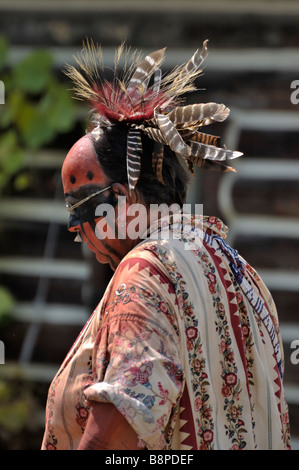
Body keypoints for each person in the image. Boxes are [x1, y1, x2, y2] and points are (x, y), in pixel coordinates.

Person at [41, 41, 291, 450]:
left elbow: (112, 438)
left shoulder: (146, 272)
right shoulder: (242, 271)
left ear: (122, 200)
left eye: (78, 209)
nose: (76, 230)